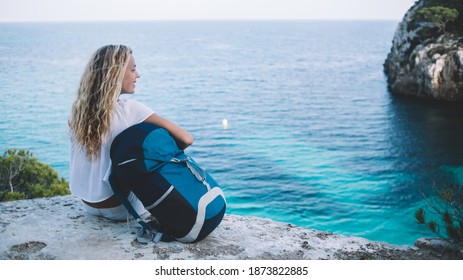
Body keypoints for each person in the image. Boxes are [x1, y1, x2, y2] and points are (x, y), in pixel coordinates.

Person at [69, 44, 193, 221]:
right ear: (116, 74)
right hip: (121, 207)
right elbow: (186, 139)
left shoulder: (79, 111)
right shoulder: (129, 110)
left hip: (88, 204)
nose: (138, 75)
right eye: (133, 70)